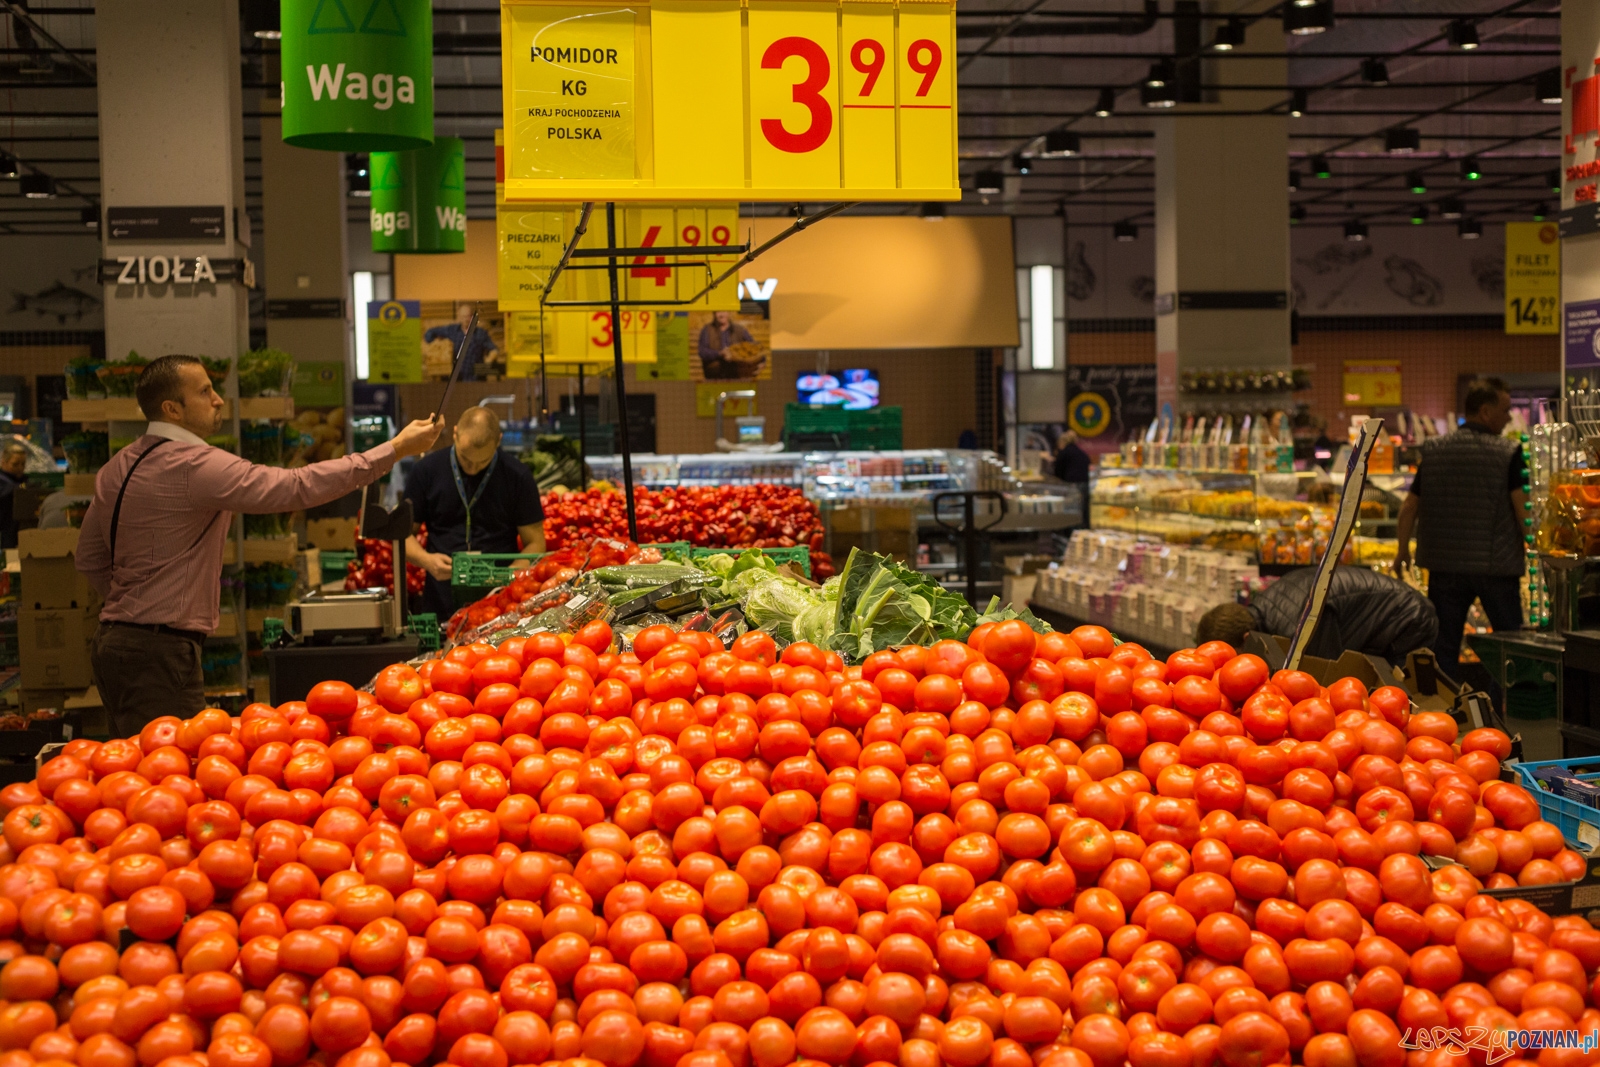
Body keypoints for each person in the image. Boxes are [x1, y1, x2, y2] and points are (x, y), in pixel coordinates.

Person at [76, 355, 442, 737]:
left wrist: (131, 609)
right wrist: (395, 449)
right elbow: (296, 486)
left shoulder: (116, 466)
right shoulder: (196, 465)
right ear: (173, 409)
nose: (218, 399)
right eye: (205, 392)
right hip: (160, 655)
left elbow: (89, 558)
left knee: (130, 769)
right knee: (166, 773)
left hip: (113, 644)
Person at [1393, 377, 1526, 676]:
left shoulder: (1435, 450)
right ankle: (1501, 710)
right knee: (1512, 648)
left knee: (1442, 650)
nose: (1508, 418)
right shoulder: (1508, 453)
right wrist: (1535, 547)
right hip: (1497, 569)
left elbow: (1410, 506)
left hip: (1445, 569)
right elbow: (1522, 510)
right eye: (1505, 410)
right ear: (1485, 411)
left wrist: (1402, 550)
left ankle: (1443, 714)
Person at [403, 407, 547, 622]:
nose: (472, 469)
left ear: (498, 441)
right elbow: (402, 535)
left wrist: (510, 575)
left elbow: (535, 542)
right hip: (441, 595)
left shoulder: (518, 476)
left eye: (482, 462)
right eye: (465, 459)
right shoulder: (426, 471)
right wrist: (426, 560)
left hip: (501, 600)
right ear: (455, 434)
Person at [1195, 566, 1438, 667]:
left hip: (1409, 619)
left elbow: (1323, 676)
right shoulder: (1266, 606)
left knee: (1398, 698)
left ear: (1246, 638)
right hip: (1382, 618)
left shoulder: (1297, 628)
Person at [424, 302, 500, 382]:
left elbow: (494, 349)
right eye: (463, 317)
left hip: (476, 378)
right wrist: (436, 343)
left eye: (468, 316)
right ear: (459, 318)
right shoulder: (452, 330)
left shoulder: (481, 333)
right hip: (457, 378)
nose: (466, 319)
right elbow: (430, 333)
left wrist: (489, 359)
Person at [0, 440, 26, 550]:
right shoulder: (3, 483)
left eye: (23, 464)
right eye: (15, 464)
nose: (20, 468)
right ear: (3, 463)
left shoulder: (24, 482)